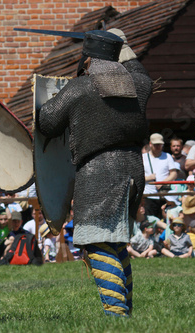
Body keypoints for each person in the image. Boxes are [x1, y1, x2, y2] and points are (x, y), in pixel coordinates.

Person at [37, 29, 152, 317]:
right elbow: (139, 70)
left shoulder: (79, 88)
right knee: (114, 240)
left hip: (99, 171)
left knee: (97, 240)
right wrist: (121, 41)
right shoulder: (139, 84)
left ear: (87, 60)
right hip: (133, 168)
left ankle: (117, 313)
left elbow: (47, 122)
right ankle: (126, 310)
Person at [143, 133, 178, 219]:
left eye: (160, 145)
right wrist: (148, 178)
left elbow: (174, 174)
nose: (158, 147)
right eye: (156, 145)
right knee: (151, 221)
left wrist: (162, 182)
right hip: (148, 195)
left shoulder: (167, 156)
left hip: (164, 195)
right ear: (150, 144)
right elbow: (137, 177)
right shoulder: (143, 157)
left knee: (165, 220)